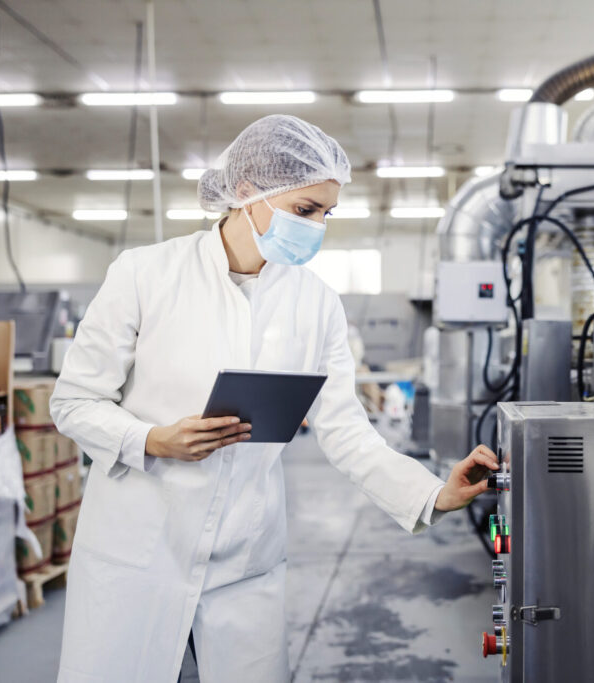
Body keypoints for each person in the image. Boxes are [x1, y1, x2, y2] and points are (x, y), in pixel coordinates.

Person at [50, 114, 498, 683]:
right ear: (247, 193)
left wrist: (434, 493)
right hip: (139, 549)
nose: (316, 228)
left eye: (325, 214)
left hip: (245, 558)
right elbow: (73, 402)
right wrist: (152, 439)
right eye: (305, 211)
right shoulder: (146, 275)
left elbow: (348, 433)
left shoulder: (316, 303)